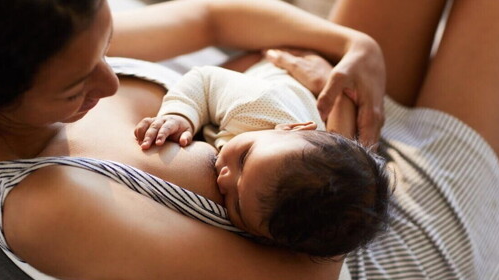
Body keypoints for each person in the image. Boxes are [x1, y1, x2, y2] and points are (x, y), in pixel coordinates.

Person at [0, 0, 499, 280]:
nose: (110, 83)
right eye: (76, 87)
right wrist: (343, 147)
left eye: (107, 47)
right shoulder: (47, 204)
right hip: (378, 251)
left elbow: (212, 18)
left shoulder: (57, 35)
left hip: (317, 133)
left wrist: (352, 47)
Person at [133, 60, 391, 257]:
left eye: (236, 205)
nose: (224, 178)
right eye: (244, 159)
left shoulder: (290, 222)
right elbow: (205, 80)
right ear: (291, 128)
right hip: (272, 71)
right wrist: (182, 115)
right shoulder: (259, 105)